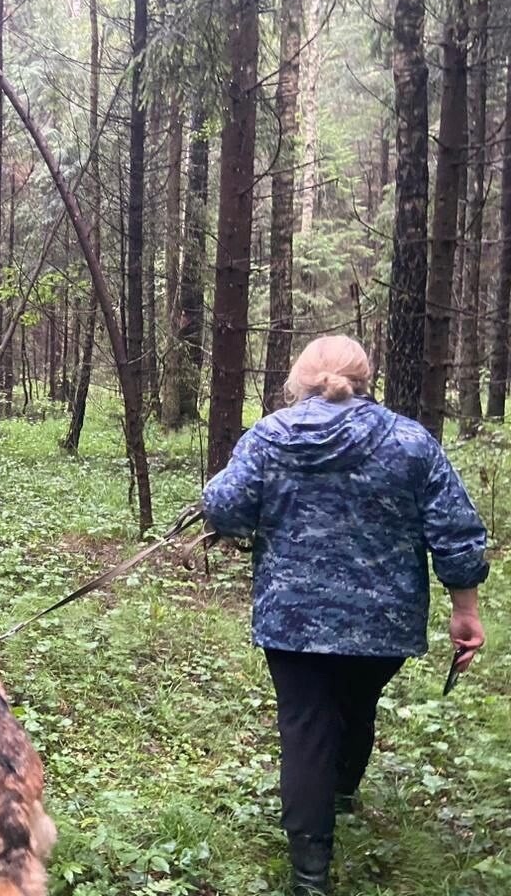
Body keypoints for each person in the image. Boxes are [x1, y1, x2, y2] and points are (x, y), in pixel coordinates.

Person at [202, 335, 487, 896]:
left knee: (306, 729)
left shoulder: (269, 437)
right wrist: (465, 610)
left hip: (293, 621)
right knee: (356, 707)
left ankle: (311, 875)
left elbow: (225, 509)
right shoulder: (410, 441)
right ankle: (340, 795)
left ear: (300, 380)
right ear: (364, 377)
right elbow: (454, 530)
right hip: (382, 623)